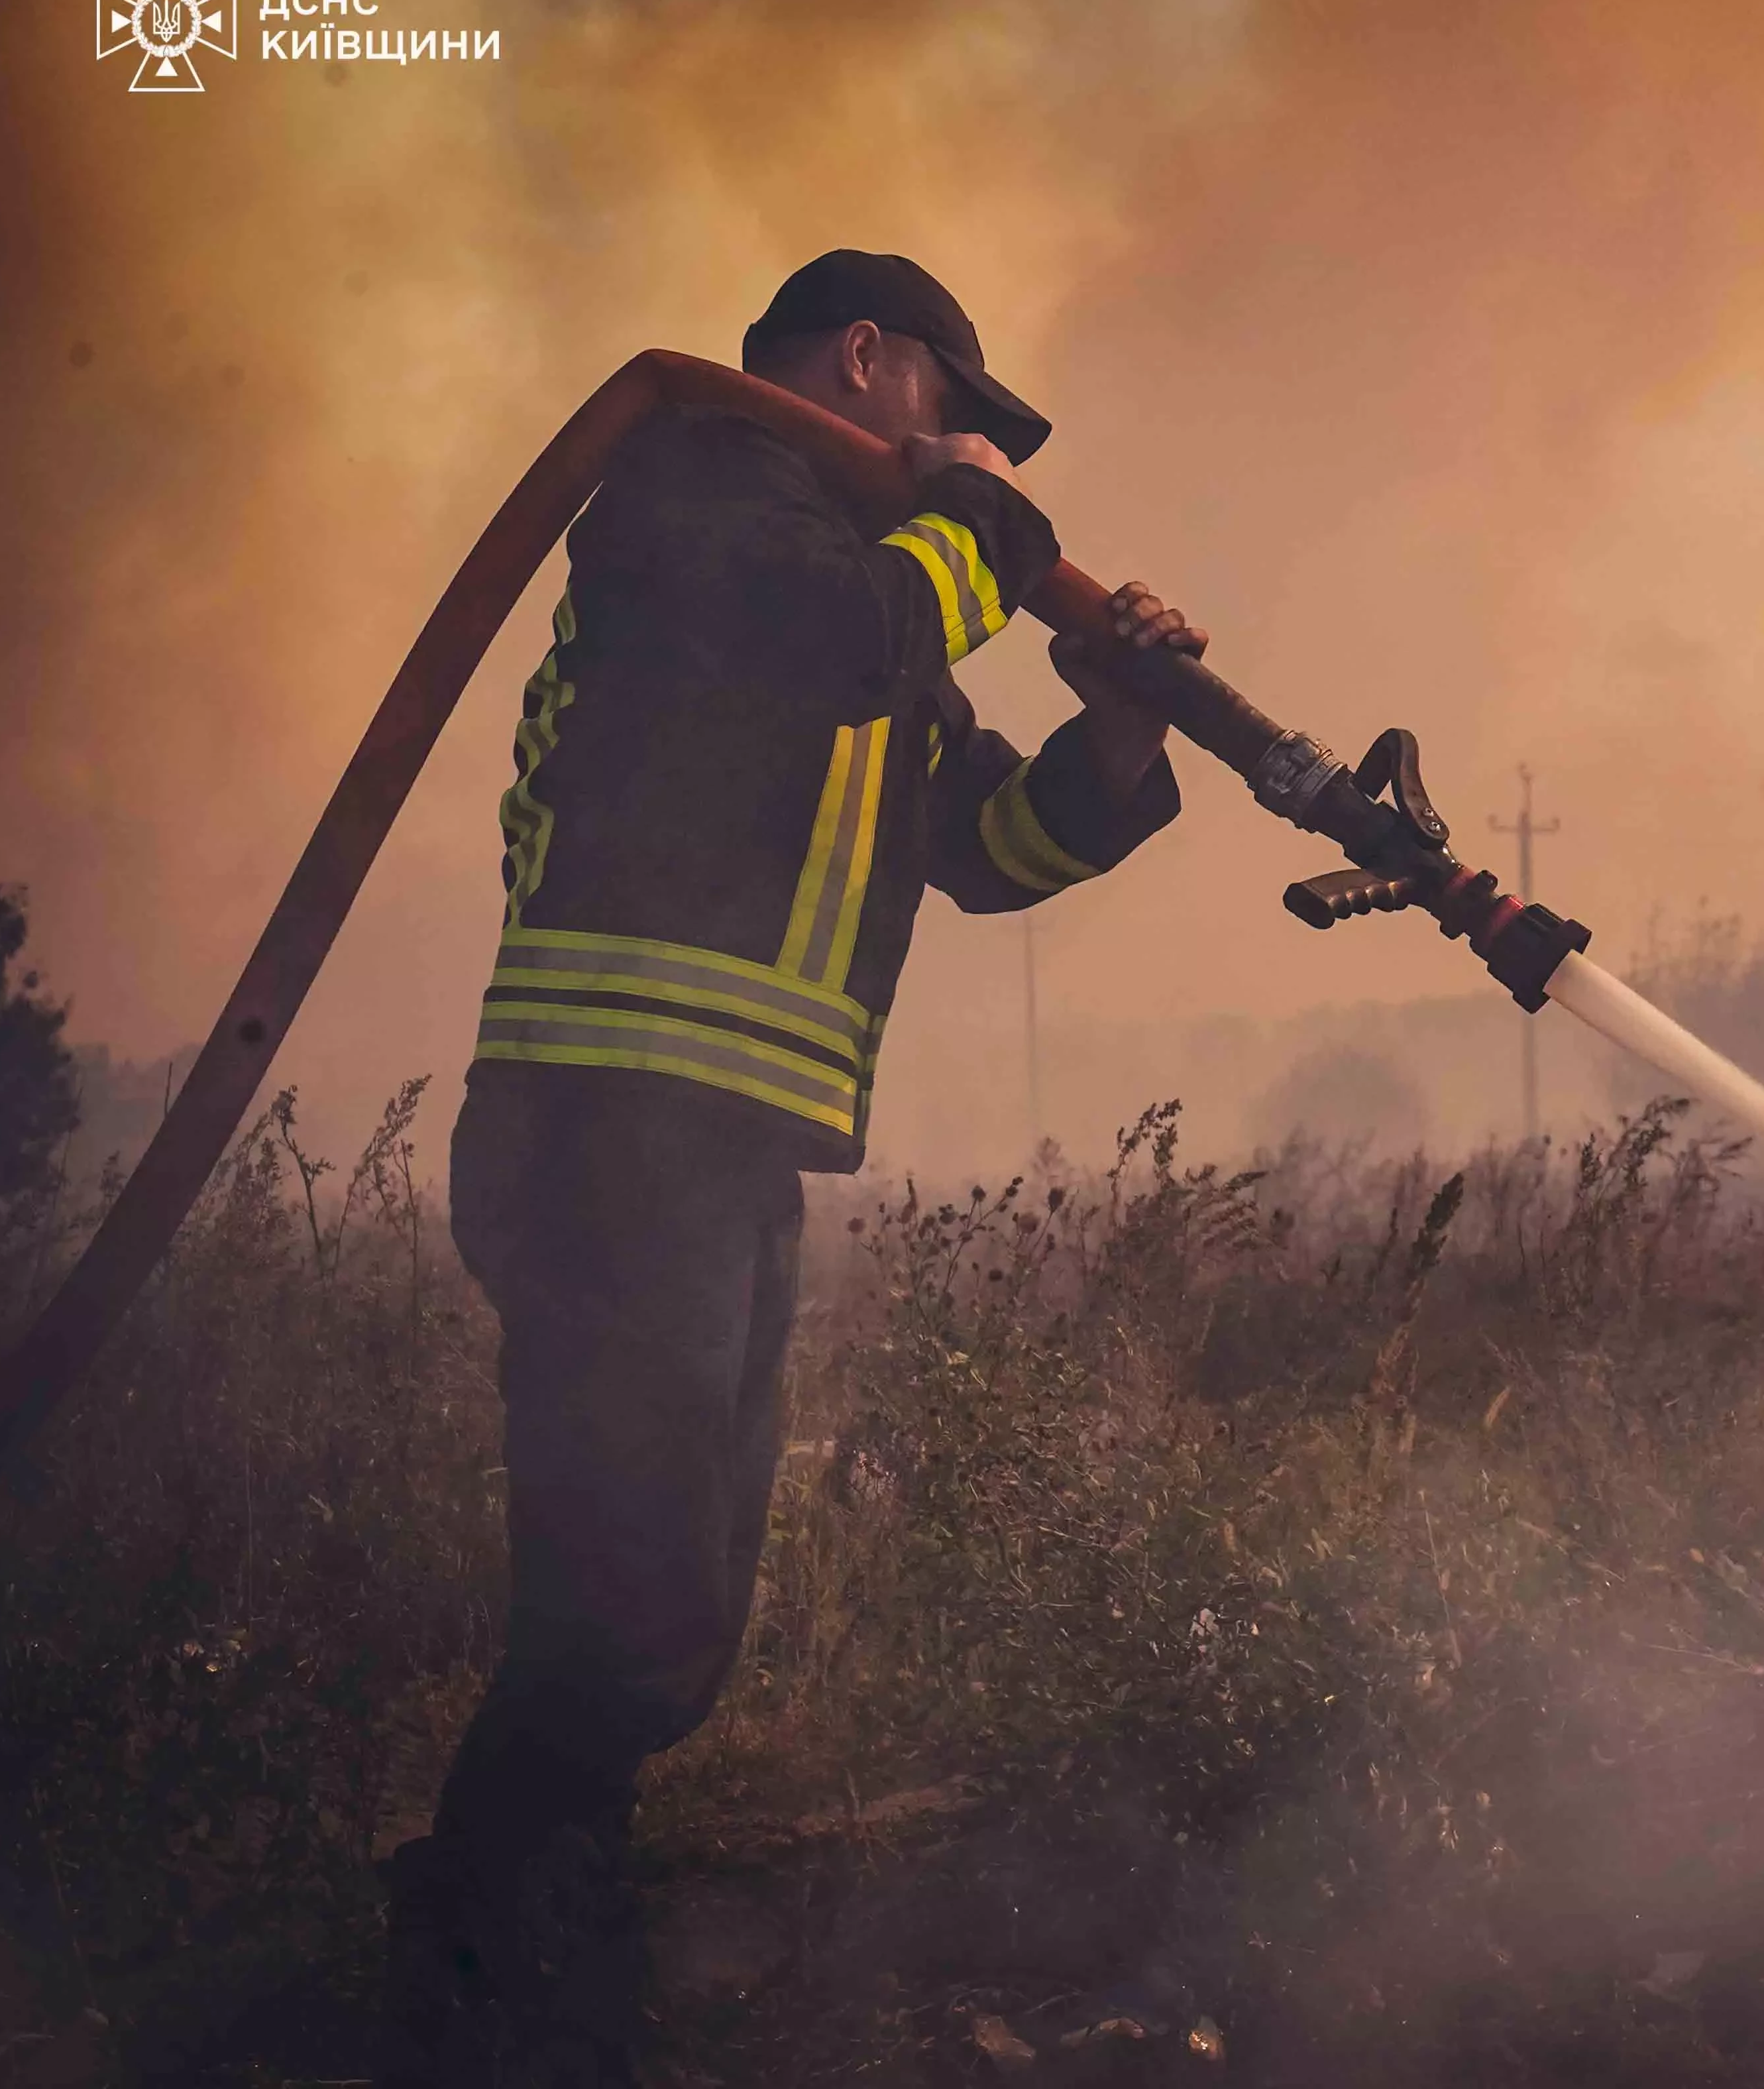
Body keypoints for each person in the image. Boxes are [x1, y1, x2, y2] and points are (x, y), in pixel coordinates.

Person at [375, 250, 1206, 2082]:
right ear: (868, 359)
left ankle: (507, 1922)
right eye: (955, 424)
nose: (961, 461)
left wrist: (1124, 726)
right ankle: (500, 1961)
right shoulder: (697, 487)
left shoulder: (864, 601)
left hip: (722, 1146)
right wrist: (986, 541)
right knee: (624, 1583)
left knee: (677, 1591)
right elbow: (836, 644)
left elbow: (983, 845)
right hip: (611, 1124)